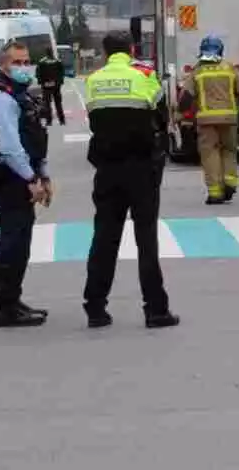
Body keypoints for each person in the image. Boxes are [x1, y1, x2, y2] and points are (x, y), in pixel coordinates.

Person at [82, 31, 179, 329]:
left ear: (105, 52)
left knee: (104, 238)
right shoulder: (145, 76)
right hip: (141, 168)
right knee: (145, 239)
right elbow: (162, 117)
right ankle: (155, 309)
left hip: (107, 170)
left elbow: (94, 118)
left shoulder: (93, 80)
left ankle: (96, 308)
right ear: (132, 49)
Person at [0, 39, 51, 328]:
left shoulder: (21, 95)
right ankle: (6, 307)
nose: (24, 67)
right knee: (12, 243)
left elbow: (35, 139)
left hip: (26, 176)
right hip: (11, 179)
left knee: (22, 242)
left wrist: (44, 175)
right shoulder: (0, 98)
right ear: (3, 65)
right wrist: (31, 178)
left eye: (26, 62)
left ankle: (14, 299)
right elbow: (10, 146)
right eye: (17, 63)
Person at [179, 34, 239, 205]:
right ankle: (229, 183)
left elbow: (186, 97)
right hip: (229, 118)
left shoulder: (197, 70)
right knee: (229, 151)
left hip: (206, 121)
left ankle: (215, 193)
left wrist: (181, 113)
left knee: (210, 155)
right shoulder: (229, 68)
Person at [35, 47, 66, 125]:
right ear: (52, 52)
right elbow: (62, 73)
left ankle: (49, 121)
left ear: (46, 53)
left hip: (46, 86)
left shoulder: (42, 62)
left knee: (47, 104)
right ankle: (62, 120)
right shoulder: (57, 61)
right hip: (56, 85)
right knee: (58, 103)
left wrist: (41, 82)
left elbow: (38, 74)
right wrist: (59, 82)